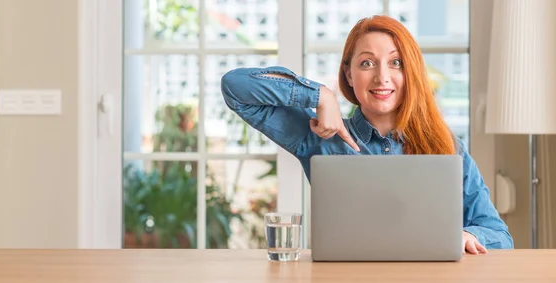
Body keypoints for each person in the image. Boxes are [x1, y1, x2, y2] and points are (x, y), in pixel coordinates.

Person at [220, 15, 513, 254]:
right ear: (349, 75)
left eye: (395, 63)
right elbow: (235, 87)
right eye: (367, 63)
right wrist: (320, 95)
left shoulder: (449, 148)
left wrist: (465, 235)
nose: (381, 76)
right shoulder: (320, 137)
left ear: (410, 72)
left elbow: (500, 236)